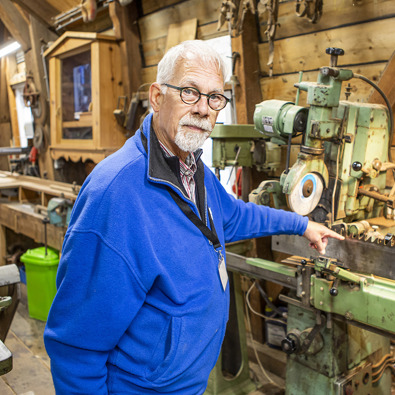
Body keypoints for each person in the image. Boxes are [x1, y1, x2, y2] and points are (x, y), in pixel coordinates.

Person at [44, 40, 344, 394]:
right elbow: (76, 349)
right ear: (157, 97)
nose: (204, 109)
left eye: (215, 97)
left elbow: (232, 217)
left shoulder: (190, 167)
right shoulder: (116, 195)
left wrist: (302, 224)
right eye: (189, 92)